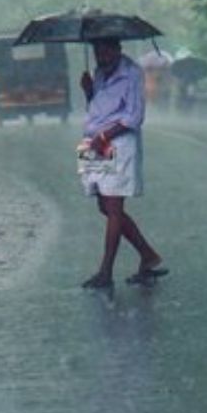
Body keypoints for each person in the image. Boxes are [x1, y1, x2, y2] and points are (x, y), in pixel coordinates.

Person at [78, 38, 165, 289]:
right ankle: (148, 256)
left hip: (118, 142)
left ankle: (105, 271)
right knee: (104, 206)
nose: (101, 56)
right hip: (93, 142)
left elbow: (134, 117)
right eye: (97, 51)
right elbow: (98, 109)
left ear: (117, 49)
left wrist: (105, 136)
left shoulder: (132, 73)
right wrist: (88, 91)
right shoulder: (98, 73)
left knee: (114, 207)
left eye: (106, 51)